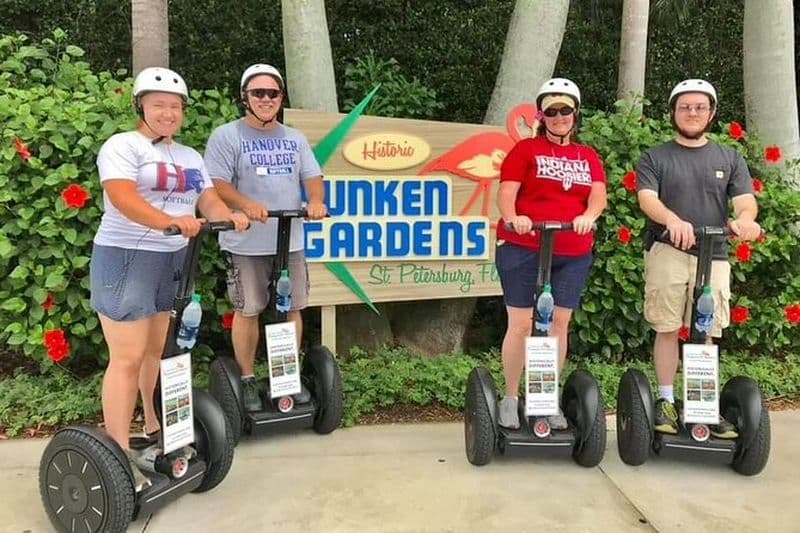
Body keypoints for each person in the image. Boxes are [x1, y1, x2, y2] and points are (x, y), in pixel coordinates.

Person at [90, 67, 249, 491]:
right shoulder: (122, 146)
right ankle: (117, 451)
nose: (168, 113)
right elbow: (123, 197)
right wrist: (170, 221)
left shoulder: (189, 156)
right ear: (141, 106)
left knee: (158, 352)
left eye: (175, 107)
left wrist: (227, 217)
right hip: (127, 256)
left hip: (173, 259)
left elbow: (207, 198)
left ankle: (155, 426)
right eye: (159, 104)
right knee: (126, 356)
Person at [636, 79, 760, 439]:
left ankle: (702, 405)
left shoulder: (729, 157)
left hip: (715, 254)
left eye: (700, 107)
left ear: (712, 113)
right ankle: (665, 400)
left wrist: (746, 221)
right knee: (667, 327)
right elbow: (647, 198)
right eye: (685, 107)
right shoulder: (655, 157)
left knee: (706, 331)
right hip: (668, 251)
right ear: (674, 112)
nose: (692, 113)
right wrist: (672, 220)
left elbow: (745, 202)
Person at [204, 64, 326, 412]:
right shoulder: (227, 136)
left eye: (272, 93)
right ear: (245, 97)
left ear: (280, 97)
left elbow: (313, 176)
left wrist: (315, 201)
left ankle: (285, 378)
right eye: (258, 93)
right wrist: (245, 205)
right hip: (247, 243)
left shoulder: (294, 138)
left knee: (293, 308)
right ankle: (246, 380)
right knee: (249, 309)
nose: (266, 99)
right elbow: (217, 184)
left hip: (290, 240)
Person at [495, 78, 608, 430]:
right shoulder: (525, 151)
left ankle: (545, 397)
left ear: (575, 114)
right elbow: (506, 193)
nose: (559, 117)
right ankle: (511, 397)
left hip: (571, 250)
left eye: (566, 110)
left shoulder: (587, 155)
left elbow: (598, 195)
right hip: (523, 246)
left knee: (559, 324)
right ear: (542, 116)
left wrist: (589, 217)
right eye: (552, 111)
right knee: (522, 323)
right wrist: (515, 218)